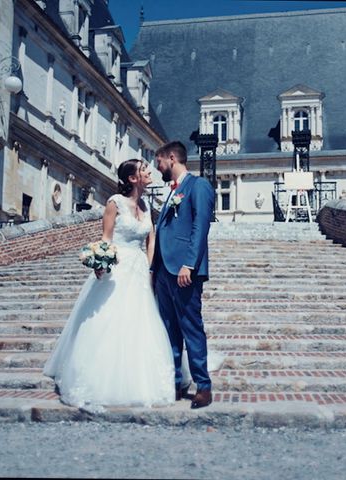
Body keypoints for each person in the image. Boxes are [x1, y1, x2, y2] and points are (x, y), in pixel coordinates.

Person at [43, 159, 175, 412]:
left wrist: (149, 268)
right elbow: (106, 237)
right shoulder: (115, 202)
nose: (150, 173)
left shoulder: (147, 205)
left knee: (140, 321)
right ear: (132, 179)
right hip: (118, 266)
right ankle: (98, 376)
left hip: (138, 269)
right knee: (109, 319)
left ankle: (136, 374)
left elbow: (151, 240)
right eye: (144, 171)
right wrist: (100, 261)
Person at [151, 141, 216, 409]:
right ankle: (176, 383)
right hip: (164, 272)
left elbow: (200, 227)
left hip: (184, 270)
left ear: (172, 158)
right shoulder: (171, 192)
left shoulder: (198, 186)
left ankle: (203, 385)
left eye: (159, 162)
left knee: (191, 327)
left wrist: (189, 264)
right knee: (170, 329)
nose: (158, 167)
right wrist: (154, 270)